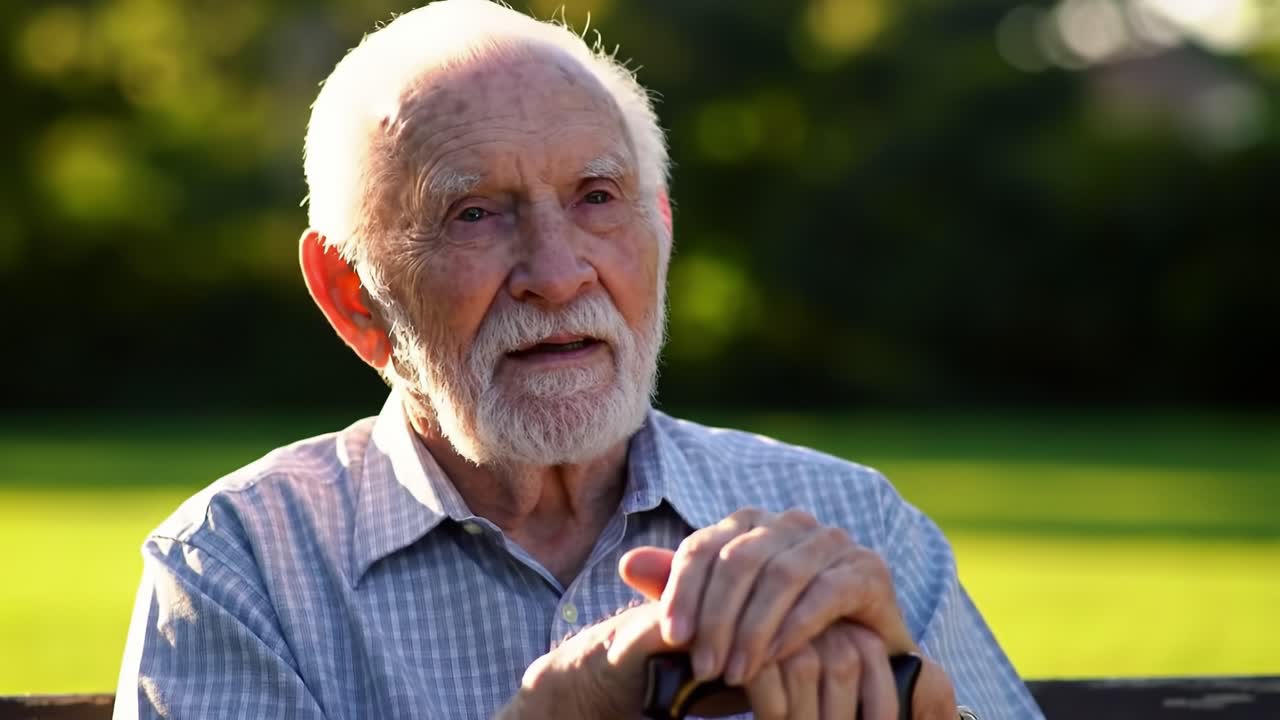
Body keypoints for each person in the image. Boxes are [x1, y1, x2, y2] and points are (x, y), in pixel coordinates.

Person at [113, 1, 1043, 718]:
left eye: (597, 197)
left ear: (660, 230)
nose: (557, 276)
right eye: (474, 213)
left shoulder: (853, 526)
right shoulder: (239, 570)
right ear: (352, 293)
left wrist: (928, 711)